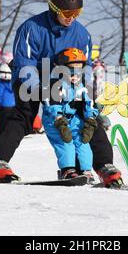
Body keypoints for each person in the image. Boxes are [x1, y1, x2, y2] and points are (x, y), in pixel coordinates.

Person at [0, 0, 123, 187]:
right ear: (53, 7)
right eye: (66, 12)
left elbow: (84, 68)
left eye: (76, 12)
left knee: (86, 118)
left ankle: (103, 166)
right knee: (23, 116)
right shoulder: (32, 28)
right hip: (30, 78)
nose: (71, 17)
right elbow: (25, 63)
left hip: (64, 80)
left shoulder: (82, 35)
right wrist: (41, 89)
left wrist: (87, 98)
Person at [42, 48, 98, 180]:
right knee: (65, 141)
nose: (75, 75)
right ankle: (67, 169)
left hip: (73, 118)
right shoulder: (55, 84)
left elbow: (89, 102)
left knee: (83, 140)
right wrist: (59, 120)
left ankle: (86, 170)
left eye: (79, 71)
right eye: (71, 71)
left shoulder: (82, 84)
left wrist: (90, 119)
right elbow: (51, 103)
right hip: (55, 119)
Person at [0, 62, 15, 137]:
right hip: (12, 106)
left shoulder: (0, 84)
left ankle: (2, 133)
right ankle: (9, 133)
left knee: (3, 120)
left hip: (3, 106)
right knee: (10, 120)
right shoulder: (12, 83)